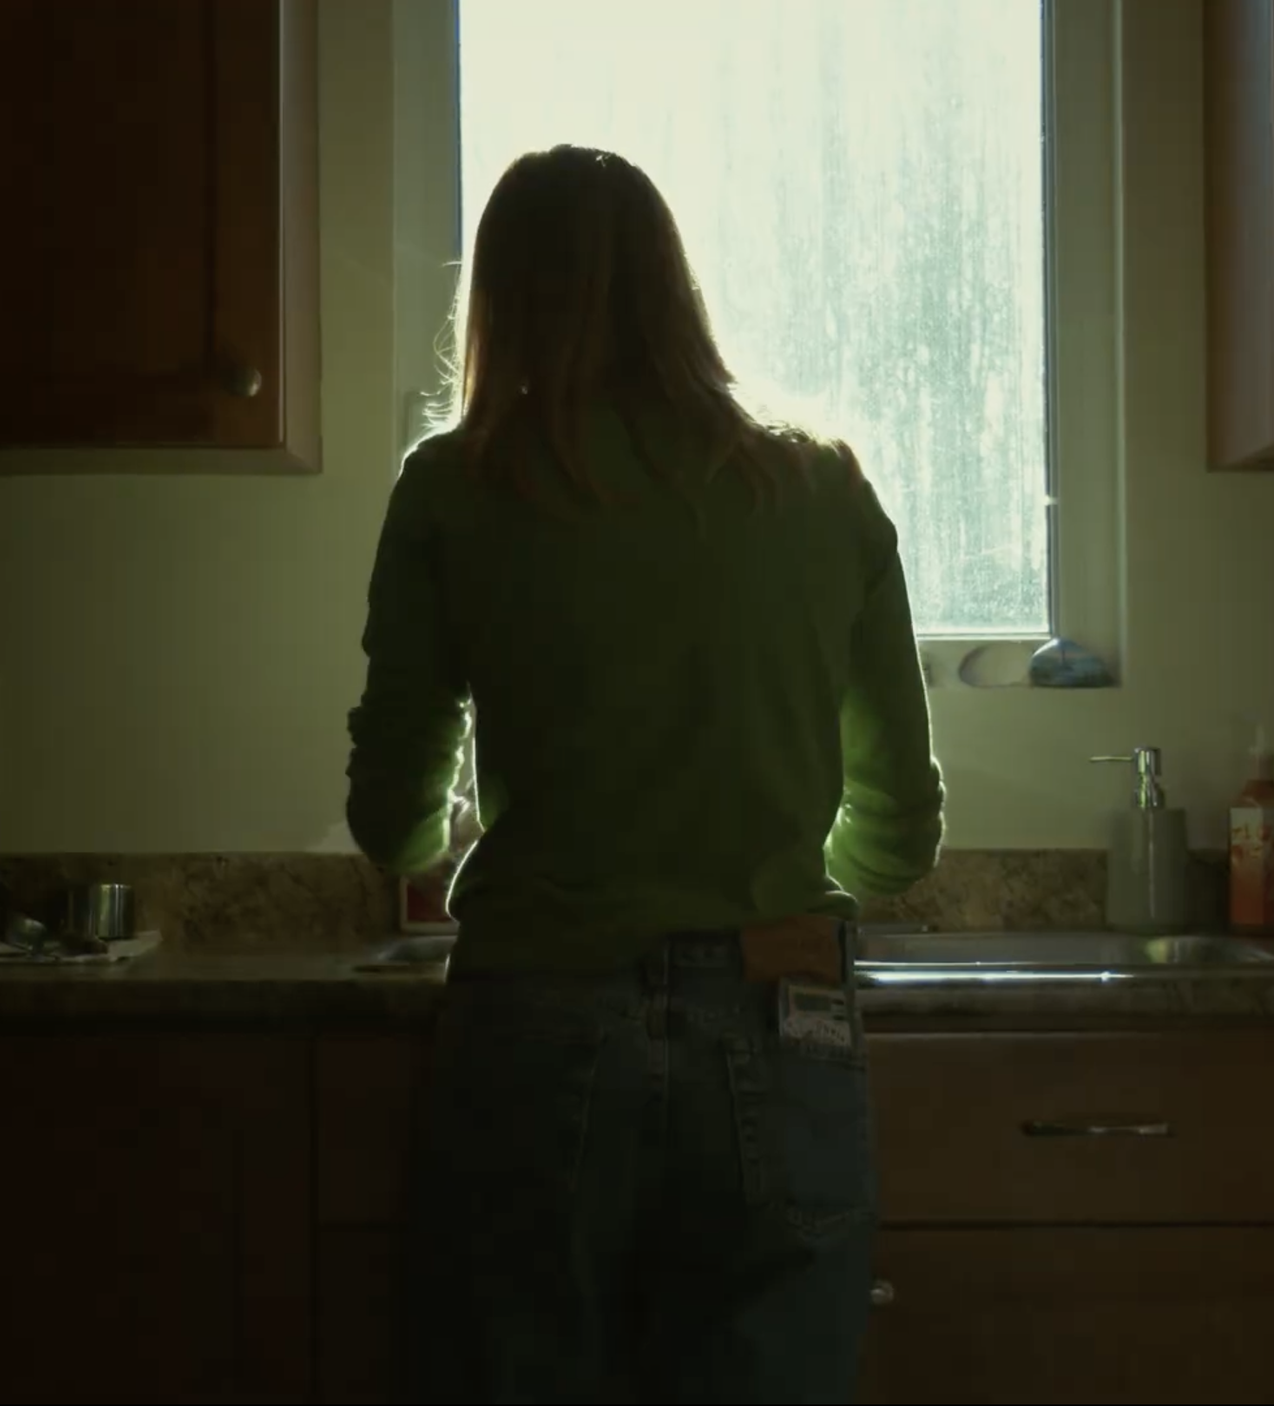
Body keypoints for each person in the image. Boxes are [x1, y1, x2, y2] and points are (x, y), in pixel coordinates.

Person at [345, 144, 944, 1406]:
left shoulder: (455, 485)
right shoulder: (820, 485)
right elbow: (898, 836)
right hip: (785, 1021)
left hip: (538, 1017)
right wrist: (773, 873)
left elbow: (391, 824)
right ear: (677, 289)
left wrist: (447, 820)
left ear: (497, 300)